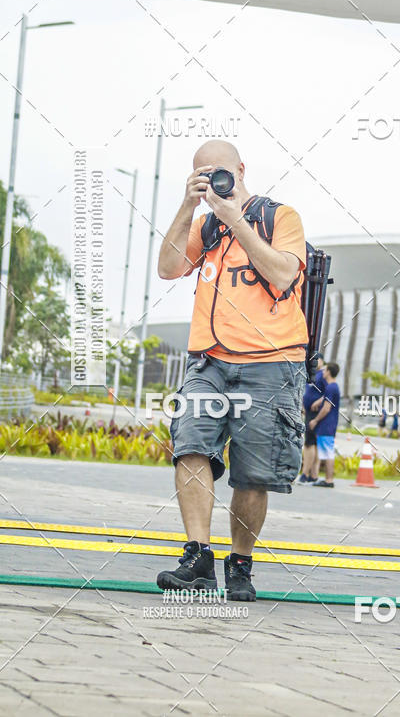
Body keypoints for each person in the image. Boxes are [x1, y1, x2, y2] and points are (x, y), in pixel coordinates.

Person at [155, 141, 308, 601]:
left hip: (271, 362)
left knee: (253, 473)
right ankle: (197, 557)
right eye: (202, 174)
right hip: (209, 361)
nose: (213, 180)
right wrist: (188, 205)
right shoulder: (204, 226)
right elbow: (167, 268)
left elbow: (283, 274)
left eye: (219, 171)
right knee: (190, 443)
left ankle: (240, 561)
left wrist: (235, 218)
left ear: (241, 169)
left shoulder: (280, 217)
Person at [309, 363, 340, 488]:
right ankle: (328, 479)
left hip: (327, 424)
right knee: (326, 452)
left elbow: (326, 408)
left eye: (324, 370)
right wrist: (319, 400)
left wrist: (315, 420)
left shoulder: (331, 388)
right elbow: (326, 400)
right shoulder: (332, 387)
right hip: (328, 424)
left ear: (328, 372)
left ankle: (329, 480)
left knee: (327, 452)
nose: (322, 372)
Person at [299, 353, 325, 483]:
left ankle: (305, 473)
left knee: (309, 444)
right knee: (313, 444)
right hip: (308, 412)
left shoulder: (324, 375)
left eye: (317, 360)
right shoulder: (312, 374)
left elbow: (328, 394)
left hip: (316, 413)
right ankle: (313, 475)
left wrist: (318, 402)